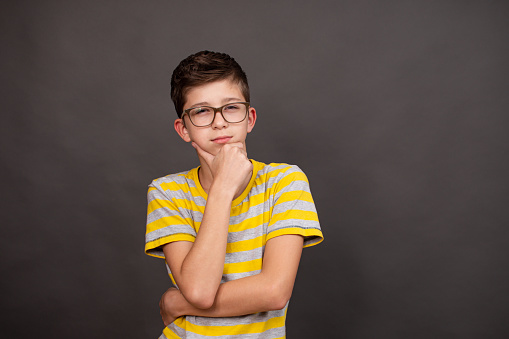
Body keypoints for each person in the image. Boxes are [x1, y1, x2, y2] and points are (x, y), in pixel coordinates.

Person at [145, 50, 323, 338]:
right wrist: (223, 188)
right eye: (201, 111)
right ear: (183, 129)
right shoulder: (167, 192)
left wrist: (175, 302)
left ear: (249, 118)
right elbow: (200, 291)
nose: (219, 122)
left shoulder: (285, 182)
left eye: (231, 107)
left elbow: (274, 293)